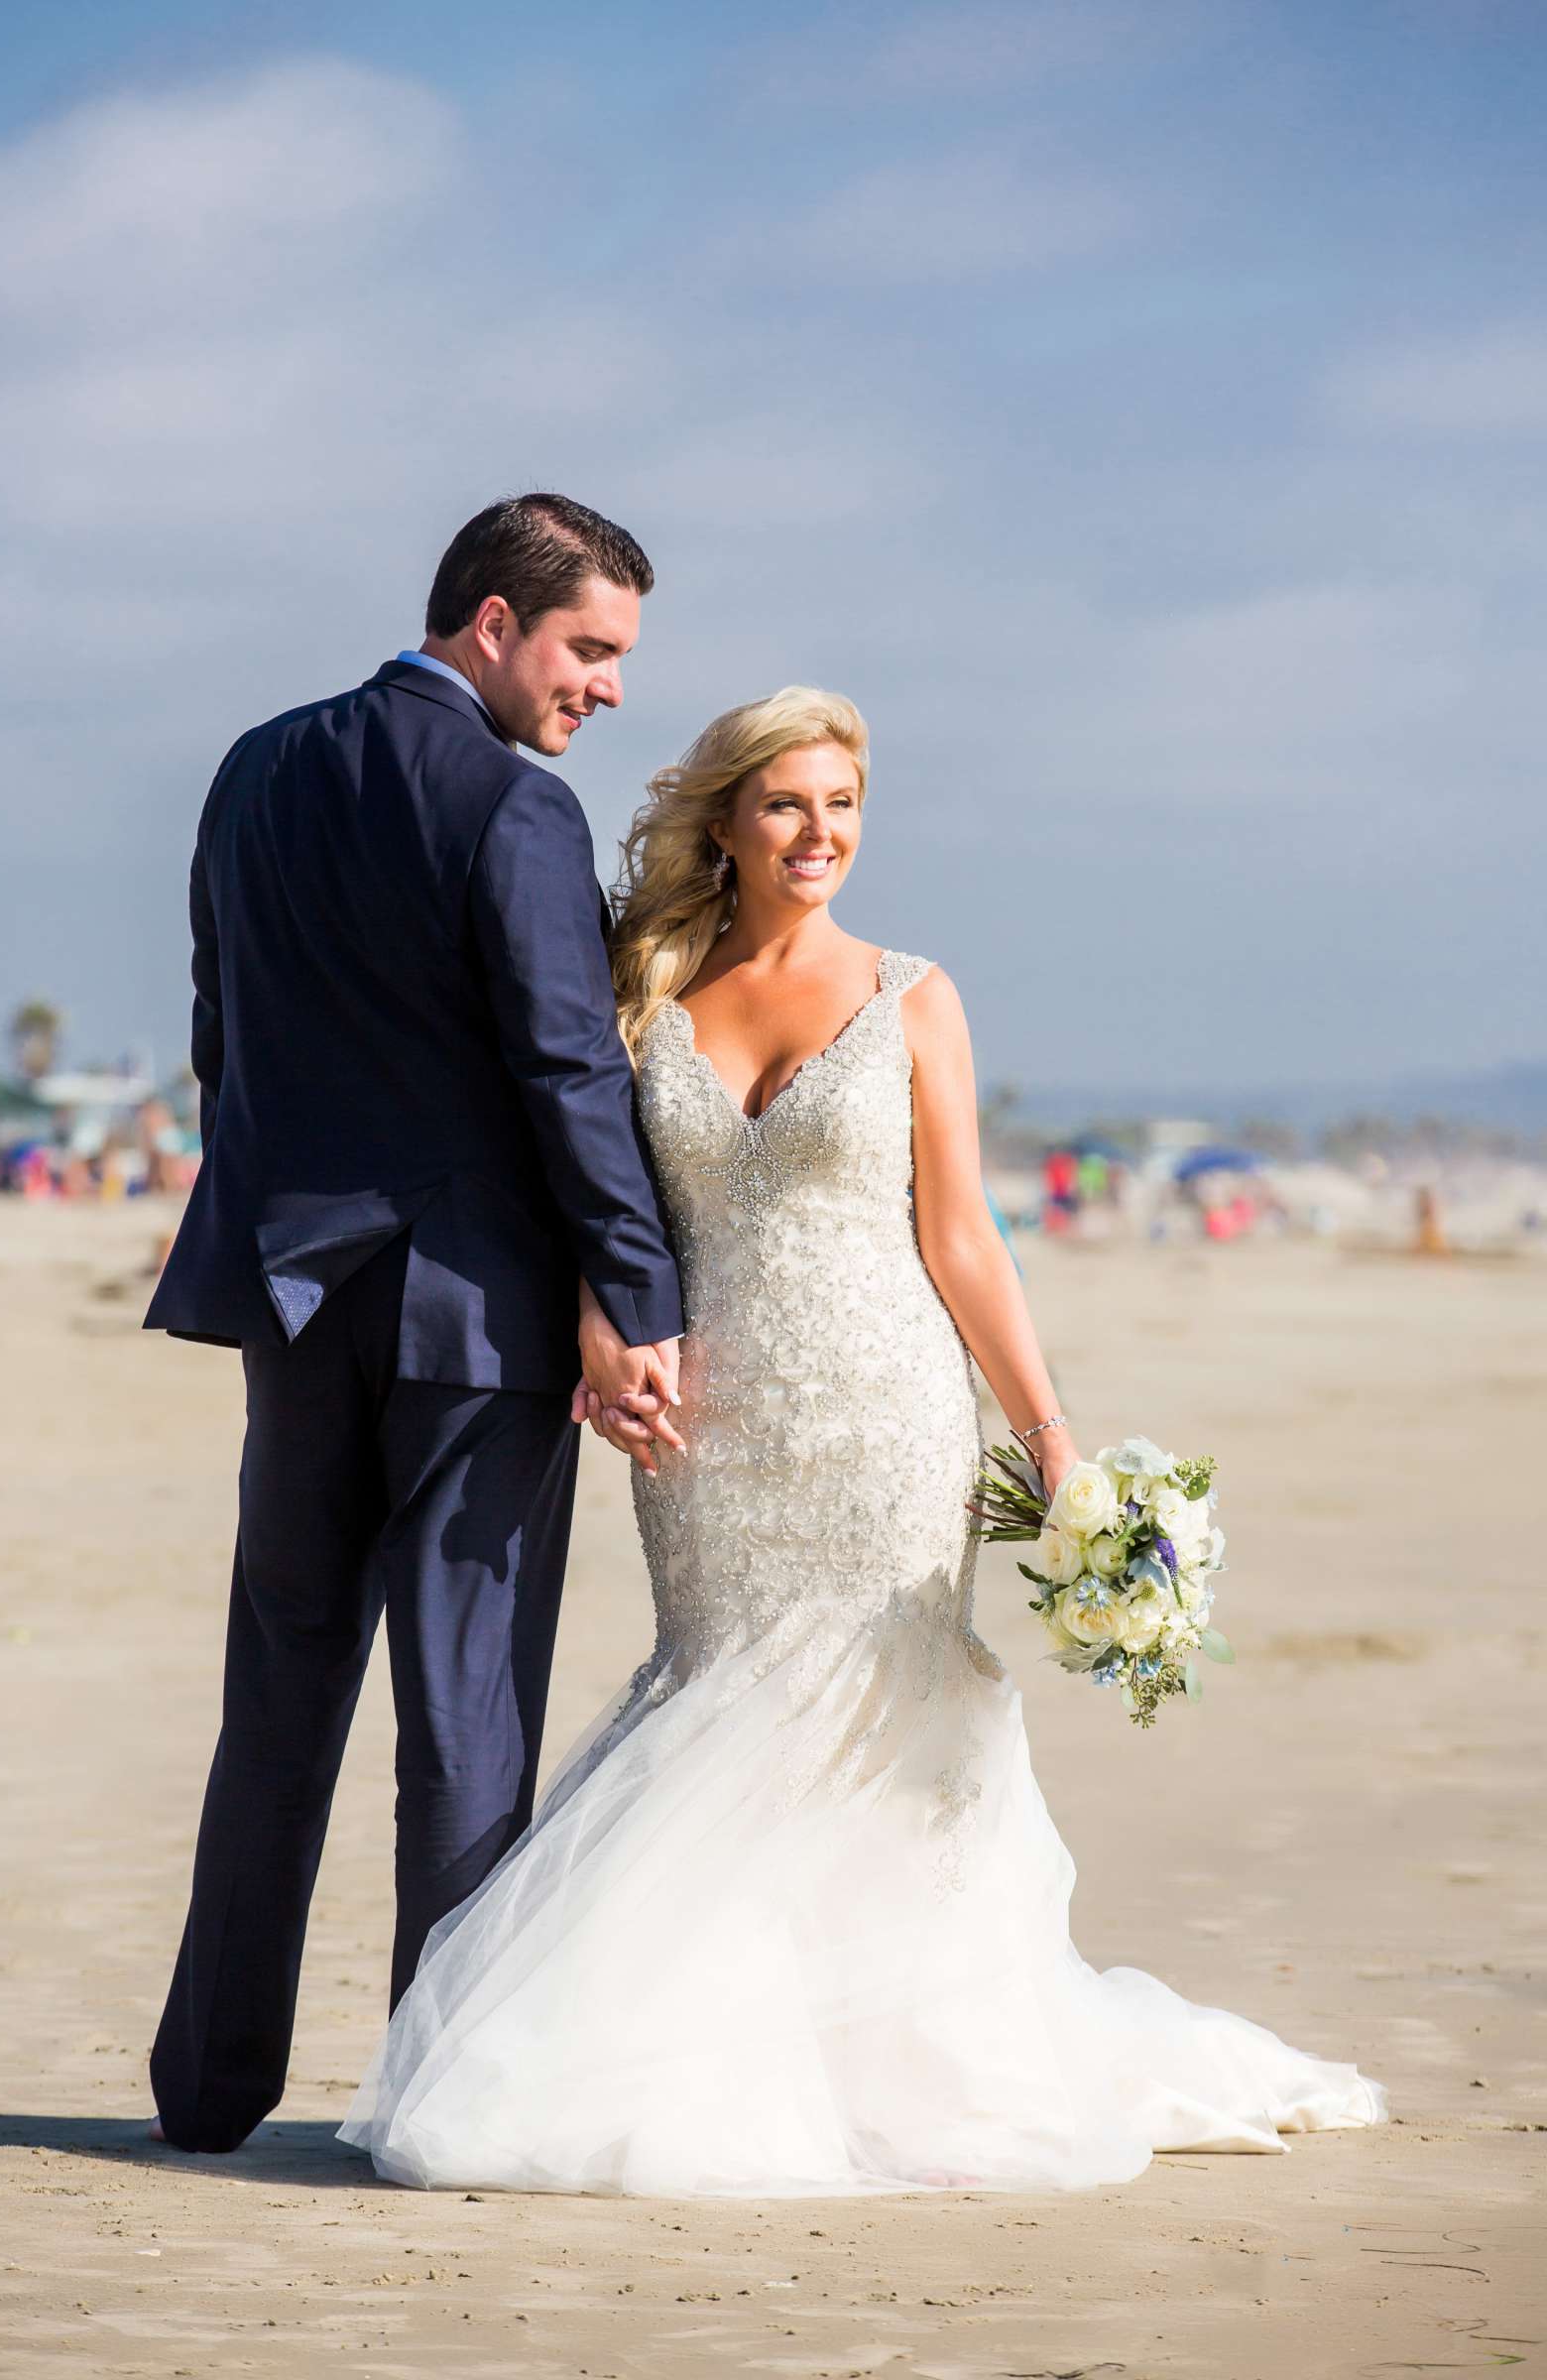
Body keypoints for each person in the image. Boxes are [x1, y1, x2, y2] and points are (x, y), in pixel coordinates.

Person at [342, 688, 1384, 2197]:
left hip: (889, 1413)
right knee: (728, 1704)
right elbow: (593, 1197)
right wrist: (596, 1325)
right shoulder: (650, 990)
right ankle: (736, 2049)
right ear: (729, 819)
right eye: (786, 804)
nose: (818, 833)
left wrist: (1054, 1442)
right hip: (711, 1431)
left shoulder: (913, 997)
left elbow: (961, 1236)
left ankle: (899, 2057)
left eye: (841, 805)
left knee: (872, 1714)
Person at [143, 496, 685, 2155]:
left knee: (280, 1697)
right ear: (493, 622)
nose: (605, 691)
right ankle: (432, 2101)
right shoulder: (514, 807)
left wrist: (293, 1217)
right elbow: (564, 1070)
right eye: (590, 649)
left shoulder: (254, 768)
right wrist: (637, 1293)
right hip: (475, 1322)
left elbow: (220, 1034)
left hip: (294, 1299)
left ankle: (210, 2089)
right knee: (465, 1717)